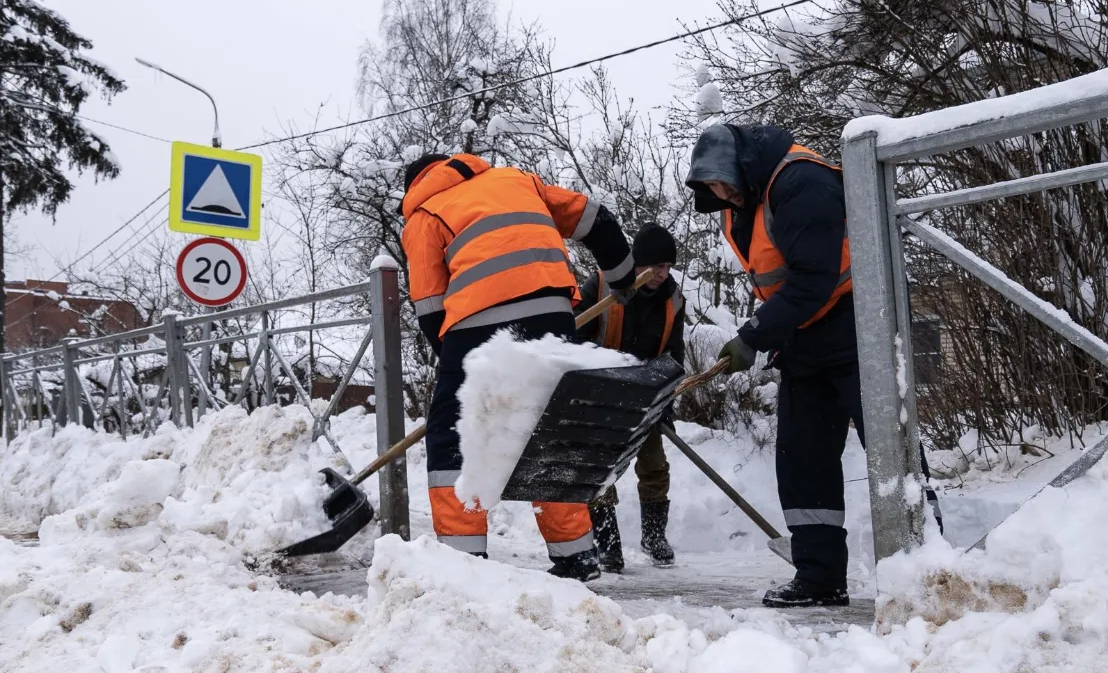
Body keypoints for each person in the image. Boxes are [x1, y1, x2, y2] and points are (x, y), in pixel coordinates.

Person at [684, 124, 943, 608]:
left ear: (741, 166)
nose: (721, 195)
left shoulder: (802, 181)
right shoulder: (744, 203)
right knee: (803, 462)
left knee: (892, 451)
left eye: (722, 183)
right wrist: (771, 334)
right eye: (712, 190)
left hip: (856, 328)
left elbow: (813, 279)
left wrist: (754, 336)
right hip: (803, 341)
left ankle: (930, 572)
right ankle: (820, 577)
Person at [401, 152, 637, 583]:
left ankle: (462, 559)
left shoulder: (424, 213)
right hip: (553, 314)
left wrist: (462, 373)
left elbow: (431, 308)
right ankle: (577, 555)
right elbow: (596, 220)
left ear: (416, 184)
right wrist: (622, 280)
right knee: (550, 429)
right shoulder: (517, 181)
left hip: (475, 323)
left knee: (455, 434)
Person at [574, 222, 686, 573]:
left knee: (654, 466)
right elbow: (573, 337)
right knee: (601, 468)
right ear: (636, 264)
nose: (660, 274)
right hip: (603, 387)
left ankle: (654, 536)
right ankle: (608, 544)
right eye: (654, 266)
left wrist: (666, 396)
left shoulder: (673, 298)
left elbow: (674, 352)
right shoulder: (601, 287)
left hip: (648, 390)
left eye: (667, 267)